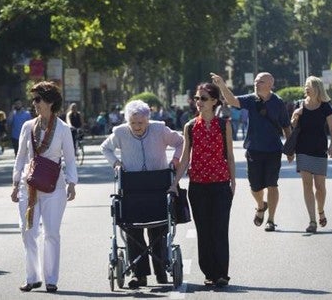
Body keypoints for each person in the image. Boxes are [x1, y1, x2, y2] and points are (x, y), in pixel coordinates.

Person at [101, 100, 183, 289]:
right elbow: (105, 148)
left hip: (158, 187)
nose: (137, 127)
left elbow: (180, 142)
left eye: (141, 123)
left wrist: (176, 159)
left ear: (148, 119)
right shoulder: (120, 132)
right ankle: (140, 275)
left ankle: (162, 270)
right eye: (133, 123)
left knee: (159, 230)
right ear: (127, 120)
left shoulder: (160, 129)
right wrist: (116, 163)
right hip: (132, 190)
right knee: (133, 232)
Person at [10, 81, 77, 293]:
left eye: (38, 99)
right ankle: (32, 277)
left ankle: (51, 279)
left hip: (54, 187)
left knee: (52, 233)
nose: (34, 103)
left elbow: (70, 158)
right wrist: (14, 183)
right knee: (27, 232)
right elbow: (20, 157)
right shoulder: (27, 126)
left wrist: (72, 183)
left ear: (50, 102)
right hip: (28, 187)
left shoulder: (63, 129)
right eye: (34, 99)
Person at [171, 82, 235, 287]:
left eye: (203, 98)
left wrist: (233, 181)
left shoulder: (223, 124)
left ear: (214, 101)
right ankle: (209, 272)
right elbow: (185, 157)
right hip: (198, 186)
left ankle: (222, 274)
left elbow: (230, 156)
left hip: (220, 184)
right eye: (197, 98)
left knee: (220, 229)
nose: (198, 102)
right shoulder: (190, 126)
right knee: (204, 230)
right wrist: (174, 183)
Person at [211, 72, 292, 232]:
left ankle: (271, 220)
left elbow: (286, 126)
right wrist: (221, 85)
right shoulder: (251, 99)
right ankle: (261, 206)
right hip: (254, 149)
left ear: (270, 84)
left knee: (272, 184)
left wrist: (290, 149)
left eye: (261, 81)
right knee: (255, 187)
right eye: (256, 81)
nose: (257, 83)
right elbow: (231, 100)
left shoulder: (278, 102)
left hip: (273, 150)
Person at [289, 77, 332, 233]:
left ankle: (321, 210)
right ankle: (312, 221)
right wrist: (296, 114)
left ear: (316, 88)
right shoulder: (299, 105)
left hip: (319, 150)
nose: (306, 89)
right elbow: (293, 125)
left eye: (308, 86)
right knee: (307, 185)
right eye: (305, 86)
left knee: (320, 187)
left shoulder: (325, 107)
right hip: (302, 150)